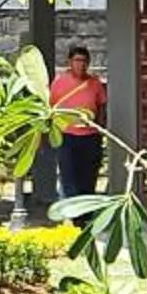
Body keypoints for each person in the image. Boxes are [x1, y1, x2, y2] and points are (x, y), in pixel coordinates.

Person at [51, 46, 107, 199]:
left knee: (88, 179)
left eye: (84, 61)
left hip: (90, 137)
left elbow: (102, 106)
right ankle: (73, 214)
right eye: (77, 60)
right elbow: (51, 107)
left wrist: (100, 130)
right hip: (67, 136)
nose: (81, 64)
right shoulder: (59, 82)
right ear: (70, 62)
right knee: (69, 177)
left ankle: (86, 217)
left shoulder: (95, 83)